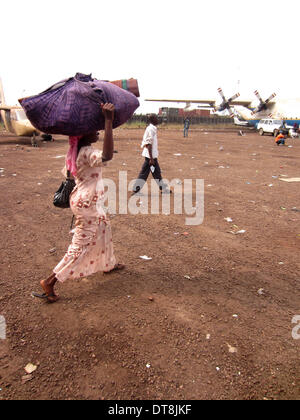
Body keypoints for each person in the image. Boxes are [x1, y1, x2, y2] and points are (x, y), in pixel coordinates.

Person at [33, 103, 124, 303]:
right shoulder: (86, 152)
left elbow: (69, 174)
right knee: (80, 245)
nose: (98, 131)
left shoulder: (75, 150)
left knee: (103, 227)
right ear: (83, 134)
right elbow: (107, 155)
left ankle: (108, 263)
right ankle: (49, 282)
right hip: (87, 204)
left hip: (84, 200)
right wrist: (108, 120)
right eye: (94, 129)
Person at [132, 114, 171, 194]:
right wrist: (151, 159)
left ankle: (163, 188)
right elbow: (148, 144)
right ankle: (136, 189)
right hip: (150, 157)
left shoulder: (152, 128)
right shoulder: (151, 129)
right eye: (156, 118)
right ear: (153, 120)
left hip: (151, 156)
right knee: (145, 173)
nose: (158, 120)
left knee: (156, 173)